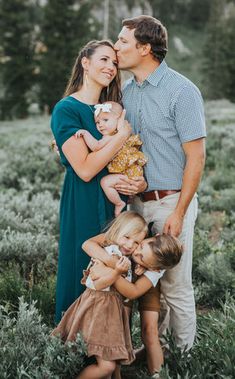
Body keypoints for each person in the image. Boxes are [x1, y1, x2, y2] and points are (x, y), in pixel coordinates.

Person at [113, 15, 206, 360]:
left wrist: (180, 212)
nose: (117, 47)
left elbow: (196, 158)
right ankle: (157, 349)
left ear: (145, 48)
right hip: (136, 206)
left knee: (175, 284)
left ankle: (183, 357)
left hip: (171, 202)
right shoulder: (126, 91)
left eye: (123, 41)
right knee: (147, 284)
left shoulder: (182, 91)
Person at [50, 39, 132, 323]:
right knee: (83, 268)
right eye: (104, 60)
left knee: (116, 271)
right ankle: (75, 350)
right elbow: (84, 170)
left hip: (116, 202)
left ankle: (109, 353)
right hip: (83, 200)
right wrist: (121, 135)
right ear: (85, 62)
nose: (111, 67)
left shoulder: (113, 109)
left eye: (114, 62)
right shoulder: (66, 109)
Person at [52, 211, 183, 378]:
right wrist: (114, 265)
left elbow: (133, 291)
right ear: (151, 237)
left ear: (154, 268)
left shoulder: (151, 266)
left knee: (141, 330)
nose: (134, 251)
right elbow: (89, 248)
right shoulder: (121, 242)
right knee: (114, 333)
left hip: (125, 293)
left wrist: (116, 271)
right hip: (106, 298)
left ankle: (153, 374)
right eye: (140, 246)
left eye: (142, 258)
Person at [75, 101, 147, 216]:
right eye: (97, 122)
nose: (100, 125)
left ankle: (119, 203)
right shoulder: (125, 132)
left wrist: (85, 133)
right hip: (133, 171)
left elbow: (96, 146)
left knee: (105, 182)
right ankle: (129, 198)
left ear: (119, 120)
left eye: (105, 120)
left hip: (128, 174)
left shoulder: (110, 137)